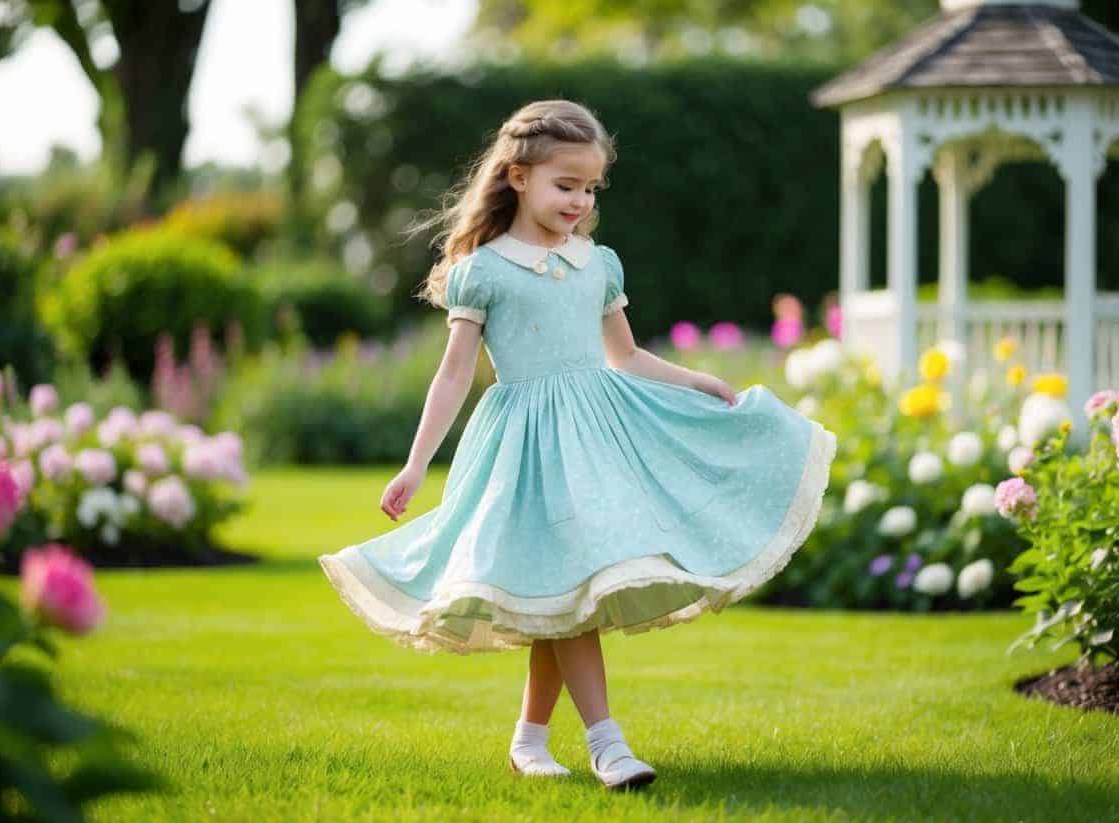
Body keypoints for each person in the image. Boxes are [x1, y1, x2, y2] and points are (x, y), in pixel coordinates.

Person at [317, 99, 838, 791]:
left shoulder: (598, 264)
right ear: (517, 176)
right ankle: (607, 743)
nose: (580, 200)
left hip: (595, 445)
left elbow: (625, 356)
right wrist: (416, 465)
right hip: (526, 451)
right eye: (566, 184)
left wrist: (696, 381)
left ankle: (530, 740)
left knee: (565, 593)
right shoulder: (485, 271)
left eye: (590, 188)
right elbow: (452, 376)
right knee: (565, 590)